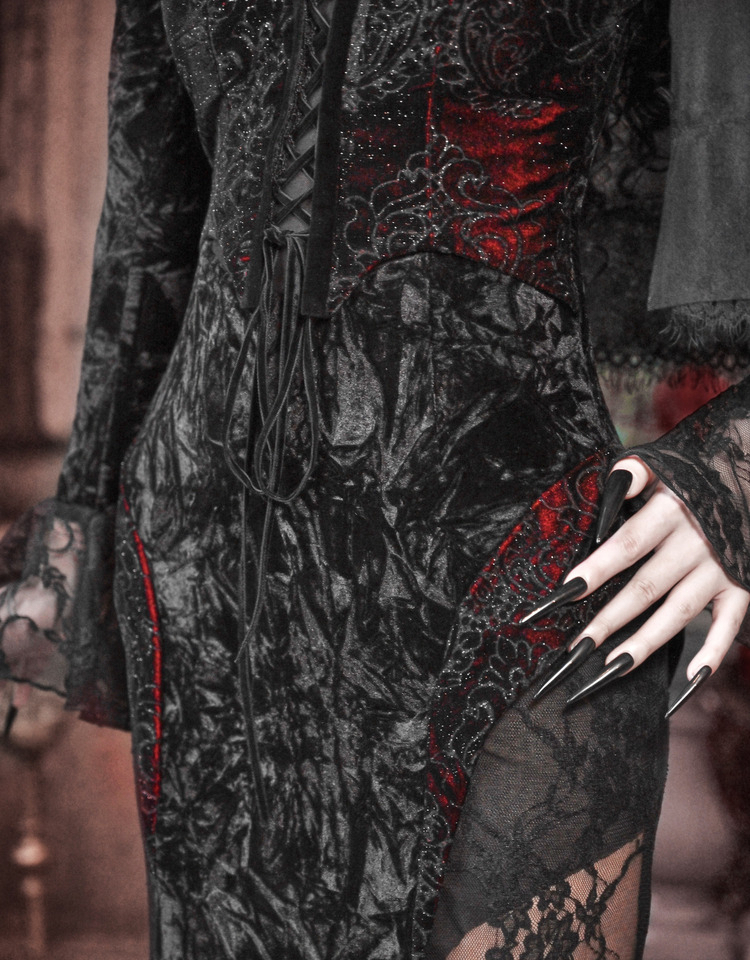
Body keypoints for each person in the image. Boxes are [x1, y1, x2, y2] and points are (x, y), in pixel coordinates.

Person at [0, 0, 748, 957]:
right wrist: (75, 541)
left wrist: (734, 472)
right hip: (207, 581)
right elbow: (146, 233)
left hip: (514, 566)